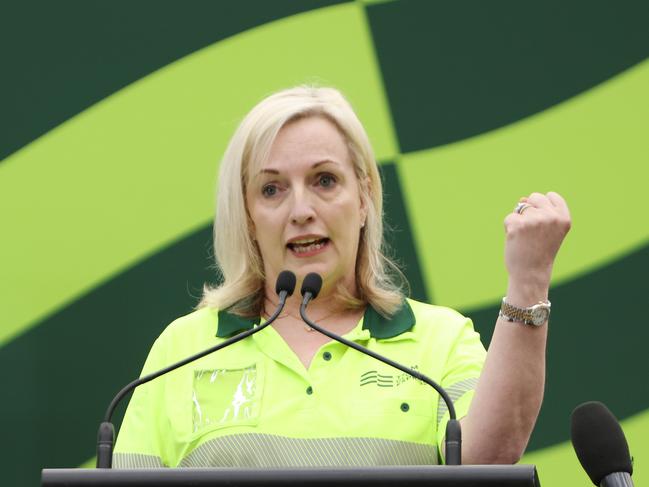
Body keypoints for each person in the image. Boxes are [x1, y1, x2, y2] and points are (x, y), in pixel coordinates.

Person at [113, 86, 571, 468]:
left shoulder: (439, 341)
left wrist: (528, 280)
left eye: (325, 180)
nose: (301, 211)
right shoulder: (184, 349)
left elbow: (487, 460)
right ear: (249, 216)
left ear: (365, 196)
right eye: (271, 189)